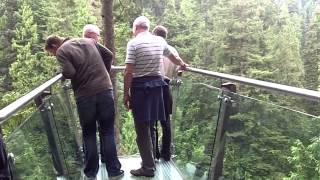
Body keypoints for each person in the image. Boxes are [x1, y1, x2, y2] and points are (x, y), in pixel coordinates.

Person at [44, 35, 123, 179]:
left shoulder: (62, 51)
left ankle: (91, 173)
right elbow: (109, 55)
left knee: (89, 134)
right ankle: (114, 171)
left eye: (51, 53)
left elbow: (69, 72)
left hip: (85, 96)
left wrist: (61, 72)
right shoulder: (88, 40)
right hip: (105, 90)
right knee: (108, 131)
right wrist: (103, 73)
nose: (54, 55)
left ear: (55, 46)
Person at [124, 16, 187, 177]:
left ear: (135, 27)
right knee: (150, 124)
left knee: (142, 129)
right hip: (157, 87)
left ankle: (148, 167)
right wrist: (182, 64)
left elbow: (129, 71)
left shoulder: (133, 43)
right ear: (147, 27)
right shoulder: (160, 41)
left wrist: (126, 94)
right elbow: (173, 56)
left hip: (141, 89)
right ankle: (149, 161)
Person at [83, 24, 110, 164]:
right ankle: (107, 162)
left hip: (85, 94)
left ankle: (92, 168)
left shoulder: (80, 46)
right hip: (102, 91)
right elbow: (109, 55)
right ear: (91, 35)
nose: (98, 39)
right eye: (97, 36)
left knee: (89, 131)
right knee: (105, 129)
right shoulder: (93, 44)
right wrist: (106, 73)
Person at [151, 25, 180, 161]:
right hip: (166, 86)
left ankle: (154, 154)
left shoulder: (154, 47)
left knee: (152, 122)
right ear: (165, 36)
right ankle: (166, 154)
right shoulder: (173, 50)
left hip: (154, 84)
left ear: (154, 35)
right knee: (166, 122)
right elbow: (180, 68)